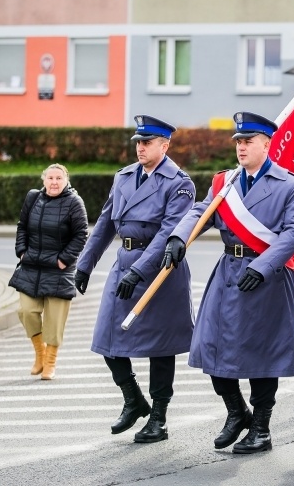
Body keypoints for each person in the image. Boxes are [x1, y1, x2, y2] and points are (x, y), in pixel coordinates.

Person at [162, 111, 294, 454]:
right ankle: (236, 411)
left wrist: (263, 265)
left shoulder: (290, 186)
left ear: (266, 145)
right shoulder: (224, 183)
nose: (241, 147)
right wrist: (178, 237)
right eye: (238, 142)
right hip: (228, 271)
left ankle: (261, 428)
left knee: (262, 354)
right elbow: (200, 213)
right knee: (209, 344)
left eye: (248, 141)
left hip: (267, 277)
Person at [74, 116, 195, 443]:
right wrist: (85, 264)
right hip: (124, 264)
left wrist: (139, 270)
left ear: (164, 146)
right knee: (106, 338)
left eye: (147, 142)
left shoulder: (179, 183)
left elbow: (168, 232)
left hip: (160, 271)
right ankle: (133, 399)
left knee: (161, 348)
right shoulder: (124, 176)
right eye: (138, 142)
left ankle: (159, 417)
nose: (140, 148)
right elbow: (105, 223)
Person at [8, 164, 88, 380]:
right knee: (26, 312)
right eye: (50, 178)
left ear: (66, 180)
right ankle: (40, 354)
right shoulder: (33, 198)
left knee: (54, 320)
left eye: (58, 178)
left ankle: (50, 363)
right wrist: (21, 251)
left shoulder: (74, 202)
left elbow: (81, 234)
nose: (54, 182)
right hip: (31, 266)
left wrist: (64, 260)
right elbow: (22, 226)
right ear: (43, 180)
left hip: (58, 270)